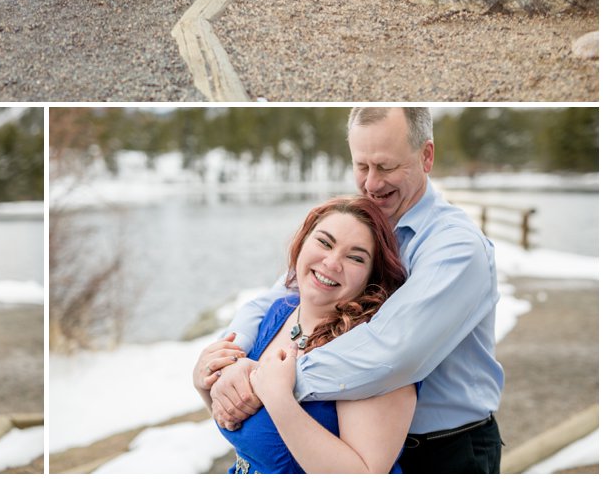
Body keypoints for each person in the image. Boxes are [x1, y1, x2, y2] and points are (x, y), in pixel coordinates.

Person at [208, 106, 503, 474]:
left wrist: (268, 381)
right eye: (361, 167)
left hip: (442, 449)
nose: (372, 183)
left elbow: (393, 352)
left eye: (387, 167)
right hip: (356, 433)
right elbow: (280, 297)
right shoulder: (360, 223)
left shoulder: (456, 248)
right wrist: (227, 358)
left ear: (426, 156)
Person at [194, 196, 416, 473]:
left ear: (372, 276)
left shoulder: (373, 349)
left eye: (356, 257)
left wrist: (279, 398)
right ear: (302, 243)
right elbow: (243, 430)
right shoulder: (277, 314)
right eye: (324, 242)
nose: (332, 262)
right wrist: (206, 385)